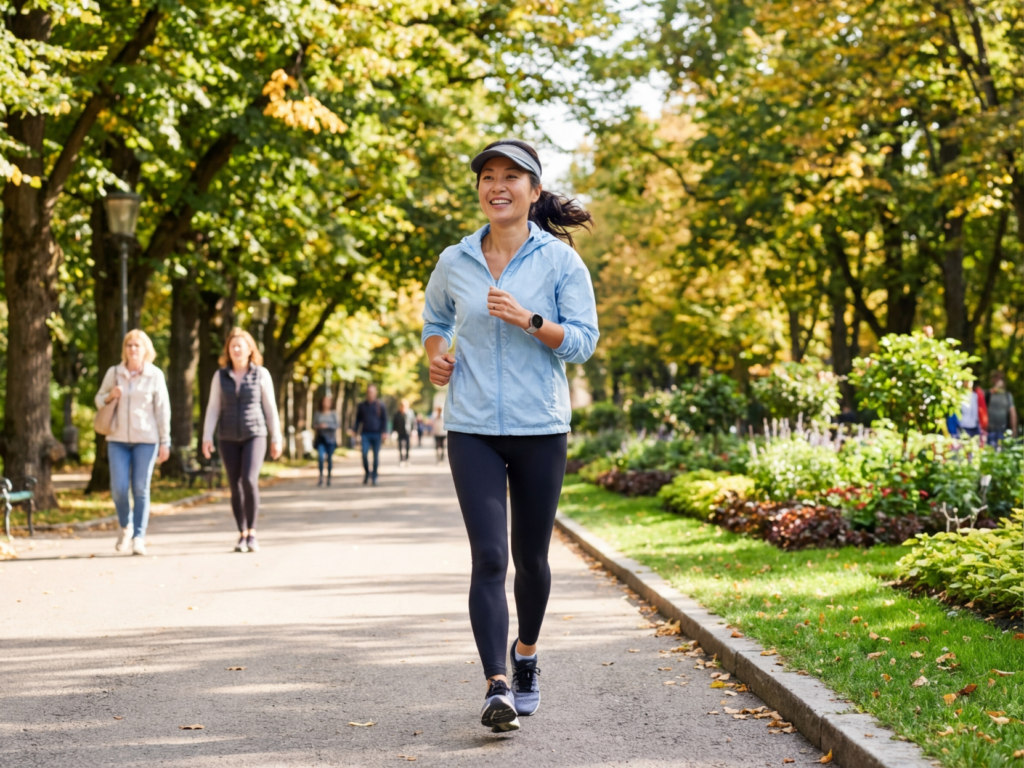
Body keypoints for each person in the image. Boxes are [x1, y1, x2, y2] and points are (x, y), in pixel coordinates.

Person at [422, 138, 598, 732]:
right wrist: (436, 355)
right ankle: (496, 684)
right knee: (490, 557)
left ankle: (526, 655)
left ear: (533, 190)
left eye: (511, 177)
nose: (497, 186)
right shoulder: (456, 259)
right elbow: (435, 319)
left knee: (532, 559)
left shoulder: (560, 263)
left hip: (540, 426)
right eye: (488, 177)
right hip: (471, 425)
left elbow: (583, 342)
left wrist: (531, 320)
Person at [202, 328, 282, 553]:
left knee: (248, 479)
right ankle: (242, 533)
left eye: (240, 345)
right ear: (228, 350)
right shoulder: (220, 376)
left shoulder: (261, 374)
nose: (236, 349)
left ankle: (253, 532)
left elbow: (270, 407)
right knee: (234, 485)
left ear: (249, 349)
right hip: (227, 436)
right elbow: (213, 407)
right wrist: (207, 436)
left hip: (255, 434)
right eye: (232, 346)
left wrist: (276, 436)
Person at [95, 330, 171, 556]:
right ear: (124, 349)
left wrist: (165, 440)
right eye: (129, 345)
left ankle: (139, 536)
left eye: (137, 345)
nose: (133, 349)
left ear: (146, 349)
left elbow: (162, 410)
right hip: (117, 439)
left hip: (146, 440)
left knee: (140, 488)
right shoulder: (114, 373)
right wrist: (110, 396)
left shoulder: (155, 375)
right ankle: (125, 525)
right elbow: (99, 398)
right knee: (118, 488)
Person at [350, 384, 387, 485]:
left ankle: (374, 476)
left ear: (375, 393)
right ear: (367, 393)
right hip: (365, 434)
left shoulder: (380, 405)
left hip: (377, 434)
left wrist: (384, 432)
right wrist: (354, 430)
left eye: (372, 392)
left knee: (375, 456)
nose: (370, 394)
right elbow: (358, 420)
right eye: (369, 392)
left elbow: (384, 419)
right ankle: (367, 473)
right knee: (364, 454)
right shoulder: (362, 405)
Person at [313, 395, 339, 486]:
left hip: (331, 440)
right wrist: (319, 426)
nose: (325, 403)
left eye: (327, 401)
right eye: (324, 401)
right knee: (321, 457)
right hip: (321, 439)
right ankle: (320, 477)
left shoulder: (333, 413)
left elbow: (337, 425)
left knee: (329, 459)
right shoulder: (317, 413)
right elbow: (313, 425)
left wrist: (327, 426)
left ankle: (329, 477)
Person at [985, 372, 1017, 445]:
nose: (998, 380)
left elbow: (1013, 413)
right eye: (995, 377)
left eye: (1000, 378)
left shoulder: (1007, 395)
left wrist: (1014, 429)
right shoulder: (989, 394)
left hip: (1004, 431)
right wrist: (996, 387)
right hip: (989, 431)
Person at [393, 400, 414, 467]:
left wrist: (414, 430)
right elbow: (394, 423)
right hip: (400, 432)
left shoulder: (410, 413)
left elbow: (413, 422)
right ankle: (401, 460)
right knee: (400, 446)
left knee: (407, 446)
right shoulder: (397, 413)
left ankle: (407, 459)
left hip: (407, 431)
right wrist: (394, 431)